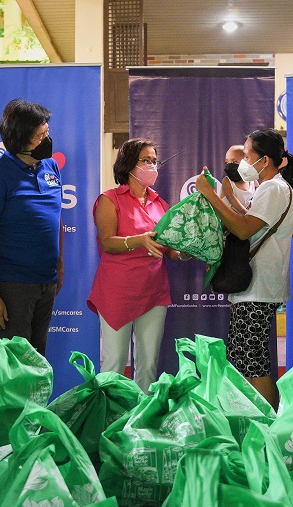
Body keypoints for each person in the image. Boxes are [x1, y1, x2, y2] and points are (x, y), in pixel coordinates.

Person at [196, 129, 293, 408]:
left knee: (254, 361)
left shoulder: (274, 187)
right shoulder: (266, 188)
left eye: (247, 155)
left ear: (264, 160)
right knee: (244, 358)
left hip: (260, 287)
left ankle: (266, 424)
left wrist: (211, 195)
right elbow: (249, 222)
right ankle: (252, 418)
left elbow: (242, 230)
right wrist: (228, 195)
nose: (242, 161)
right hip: (253, 287)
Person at [86, 138, 190, 393]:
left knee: (148, 366)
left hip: (154, 291)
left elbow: (169, 252)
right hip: (117, 292)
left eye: (155, 161)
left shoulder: (161, 204)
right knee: (113, 364)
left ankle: (141, 424)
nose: (152, 166)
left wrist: (189, 250)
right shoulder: (109, 200)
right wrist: (139, 240)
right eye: (146, 160)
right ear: (129, 163)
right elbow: (108, 242)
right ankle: (108, 421)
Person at [0, 99, 63, 357]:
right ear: (20, 139)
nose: (47, 139)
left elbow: (56, 218)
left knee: (38, 359)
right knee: (16, 365)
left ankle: (36, 401)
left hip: (47, 280)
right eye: (40, 136)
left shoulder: (51, 166)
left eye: (47, 132)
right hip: (14, 285)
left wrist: (59, 265)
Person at [220, 144, 256, 215]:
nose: (229, 166)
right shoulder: (227, 181)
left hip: (243, 221)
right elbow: (234, 202)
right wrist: (248, 217)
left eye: (234, 162)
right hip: (226, 222)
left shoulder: (252, 181)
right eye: (227, 162)